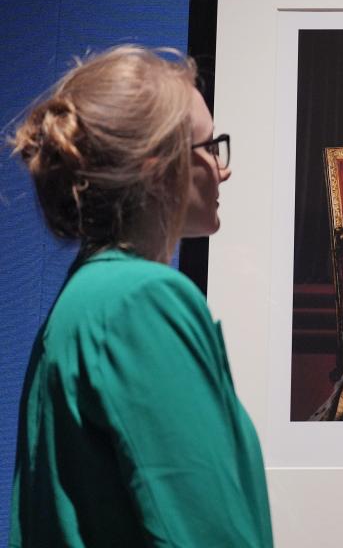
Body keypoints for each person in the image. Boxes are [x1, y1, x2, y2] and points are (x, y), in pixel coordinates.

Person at [9, 45, 272, 546]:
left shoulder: (88, 299)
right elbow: (205, 531)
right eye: (210, 146)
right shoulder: (141, 301)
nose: (224, 167)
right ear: (159, 166)